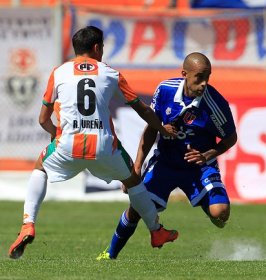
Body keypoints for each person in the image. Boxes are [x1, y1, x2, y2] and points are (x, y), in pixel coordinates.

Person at [8, 26, 179, 259]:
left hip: (68, 144)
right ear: (97, 48)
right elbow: (142, 109)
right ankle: (156, 231)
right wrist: (161, 128)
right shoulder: (111, 73)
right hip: (104, 146)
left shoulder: (59, 72)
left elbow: (42, 119)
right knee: (134, 180)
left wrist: (55, 137)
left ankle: (28, 224)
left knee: (40, 169)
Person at [96, 52, 237, 260]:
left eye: (208, 77)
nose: (204, 83)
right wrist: (136, 167)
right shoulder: (165, 90)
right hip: (165, 164)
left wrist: (207, 154)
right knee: (136, 209)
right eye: (199, 77)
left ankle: (211, 209)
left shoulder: (215, 104)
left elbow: (231, 138)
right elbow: (151, 129)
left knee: (220, 213)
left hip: (199, 168)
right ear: (184, 74)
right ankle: (110, 254)